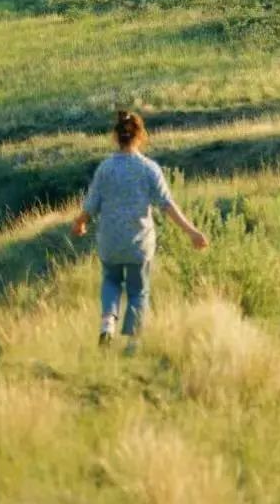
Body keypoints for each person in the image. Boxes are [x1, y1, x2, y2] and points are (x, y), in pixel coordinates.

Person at [73, 106, 207, 349]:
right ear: (140, 135)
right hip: (139, 243)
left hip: (110, 241)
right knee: (138, 292)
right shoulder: (148, 169)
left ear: (115, 136)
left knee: (111, 282)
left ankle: (107, 325)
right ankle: (133, 344)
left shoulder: (105, 168)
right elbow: (167, 205)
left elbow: (91, 205)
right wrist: (193, 232)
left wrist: (80, 222)